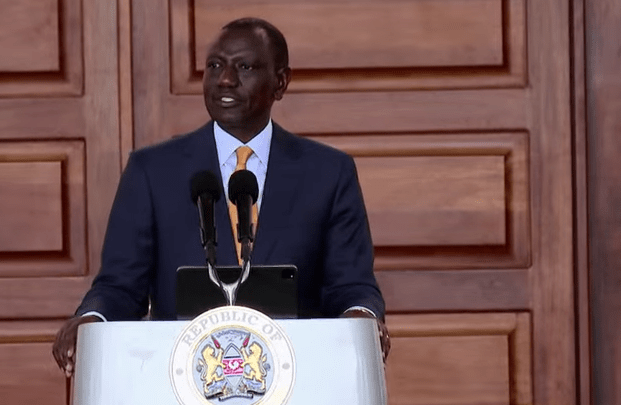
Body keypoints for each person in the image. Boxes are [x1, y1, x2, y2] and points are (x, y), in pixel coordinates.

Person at [52, 17, 389, 376]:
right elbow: (120, 285)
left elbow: (351, 285)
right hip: (181, 380)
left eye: (244, 66)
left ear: (280, 82)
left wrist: (362, 323)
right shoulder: (152, 171)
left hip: (298, 378)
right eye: (215, 66)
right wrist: (90, 319)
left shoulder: (328, 172)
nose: (225, 79)